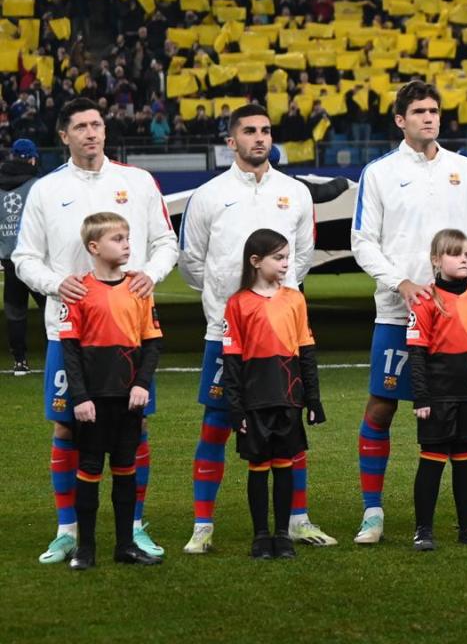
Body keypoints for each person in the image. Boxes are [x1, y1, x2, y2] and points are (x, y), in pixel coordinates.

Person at [12, 98, 178, 564]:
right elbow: (24, 257)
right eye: (81, 126)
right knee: (67, 428)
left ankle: (135, 526)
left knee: (135, 424)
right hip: (70, 333)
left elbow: (167, 242)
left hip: (128, 333)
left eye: (97, 124)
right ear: (63, 135)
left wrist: (153, 274)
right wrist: (53, 284)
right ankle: (68, 529)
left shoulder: (138, 182)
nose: (91, 133)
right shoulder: (45, 190)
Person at [349, 81, 467, 545]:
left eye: (434, 110)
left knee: (463, 410)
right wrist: (402, 283)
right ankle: (373, 512)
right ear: (400, 120)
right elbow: (363, 241)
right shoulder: (379, 173)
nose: (429, 117)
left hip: (460, 317)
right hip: (401, 314)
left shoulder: (463, 168)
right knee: (383, 404)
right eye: (418, 111)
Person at [178, 104, 331, 553]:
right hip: (226, 334)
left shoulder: (295, 193)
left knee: (289, 426)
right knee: (216, 425)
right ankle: (203, 526)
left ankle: (297, 521)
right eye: (249, 131)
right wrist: (232, 305)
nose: (259, 138)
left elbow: (302, 257)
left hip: (281, 338)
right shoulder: (206, 196)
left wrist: (274, 304)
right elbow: (192, 263)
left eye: (265, 130)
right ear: (232, 141)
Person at [60, 212, 163, 569]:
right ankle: (85, 548)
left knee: (125, 469)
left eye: (127, 237)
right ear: (94, 246)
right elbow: (69, 351)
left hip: (128, 398)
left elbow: (151, 345)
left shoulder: (139, 289)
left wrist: (140, 384)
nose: (126, 245)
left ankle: (125, 546)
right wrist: (81, 396)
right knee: (88, 468)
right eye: (117, 239)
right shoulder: (78, 291)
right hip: (93, 400)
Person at [219, 228, 325, 560]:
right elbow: (232, 362)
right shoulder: (237, 304)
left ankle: (282, 534)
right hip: (255, 400)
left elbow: (306, 354)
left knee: (284, 466)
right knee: (258, 467)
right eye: (278, 258)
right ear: (255, 261)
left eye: (287, 258)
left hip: (288, 397)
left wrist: (313, 399)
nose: (285, 264)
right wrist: (236, 409)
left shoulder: (295, 299)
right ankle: (260, 536)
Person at [405, 229, 467, 550]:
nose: (463, 259)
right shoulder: (425, 300)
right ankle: (423, 529)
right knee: (432, 461)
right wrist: (421, 396)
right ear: (436, 260)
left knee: (466, 463)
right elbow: (417, 355)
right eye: (455, 253)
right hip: (437, 397)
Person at [2, 137, 42, 375]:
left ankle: (20, 361)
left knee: (15, 311)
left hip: (9, 259)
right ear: (31, 158)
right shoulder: (38, 185)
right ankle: (60, 357)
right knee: (52, 307)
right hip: (35, 257)